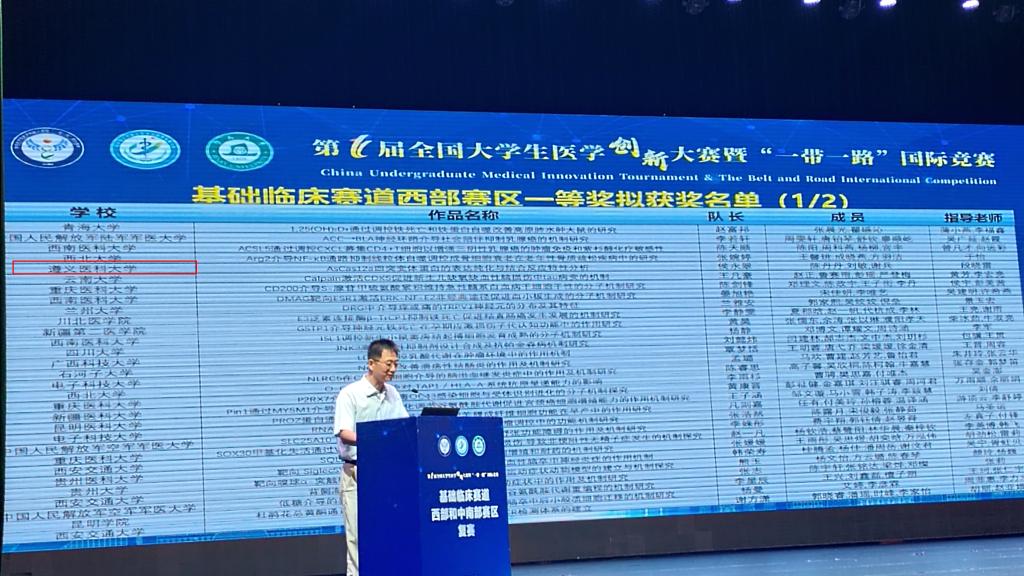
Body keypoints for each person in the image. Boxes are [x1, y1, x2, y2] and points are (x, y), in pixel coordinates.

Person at [333, 338, 409, 576]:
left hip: (386, 475)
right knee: (358, 538)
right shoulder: (350, 394)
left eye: (396, 364)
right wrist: (373, 439)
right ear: (371, 363)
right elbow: (344, 432)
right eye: (388, 364)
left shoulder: (393, 394)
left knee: (386, 532)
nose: (393, 369)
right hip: (357, 473)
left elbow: (404, 428)